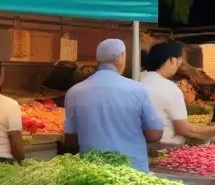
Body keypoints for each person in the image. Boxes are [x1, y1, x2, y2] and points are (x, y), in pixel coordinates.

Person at [63, 39, 163, 171]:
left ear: (98, 60)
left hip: (91, 171)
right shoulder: (138, 90)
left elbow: (70, 139)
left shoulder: (74, 92)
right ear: (121, 57)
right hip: (132, 171)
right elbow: (155, 134)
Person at [141, 42, 215, 145]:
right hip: (163, 146)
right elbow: (182, 129)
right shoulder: (169, 87)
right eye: (179, 63)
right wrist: (213, 130)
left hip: (139, 143)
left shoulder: (136, 78)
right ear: (172, 61)